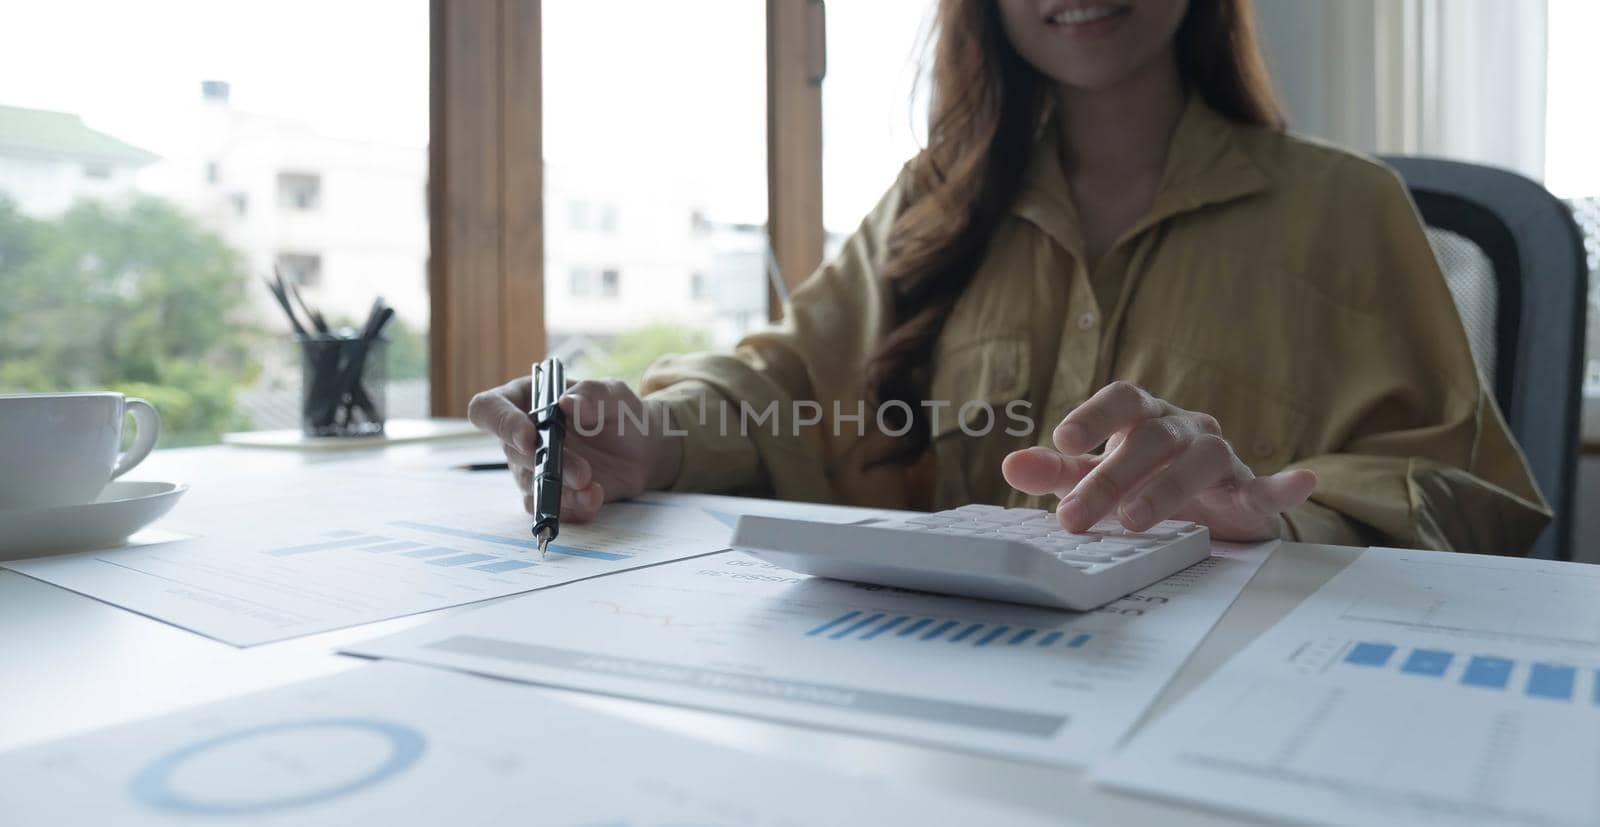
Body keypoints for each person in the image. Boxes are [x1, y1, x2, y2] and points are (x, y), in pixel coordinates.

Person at [470, 0, 1550, 554]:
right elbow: (782, 378)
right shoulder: (929, 203)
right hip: (943, 706)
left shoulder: (1346, 208)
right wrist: (656, 433)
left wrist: (1272, 518)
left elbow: (1470, 494)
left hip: (1229, 709)